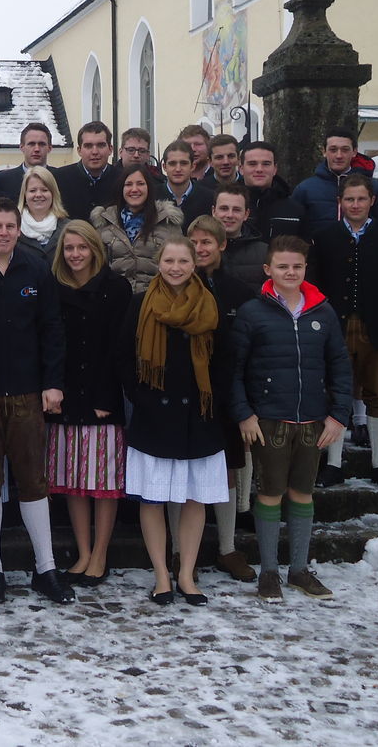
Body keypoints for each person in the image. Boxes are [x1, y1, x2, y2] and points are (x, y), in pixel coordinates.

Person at [0, 199, 75, 607]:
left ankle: (46, 568)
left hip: (27, 392)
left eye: (10, 226)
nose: (4, 233)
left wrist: (53, 383)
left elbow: (53, 329)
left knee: (32, 480)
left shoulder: (35, 268)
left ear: (18, 230)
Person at [229, 235, 352, 602]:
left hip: (313, 420)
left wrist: (338, 415)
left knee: (302, 492)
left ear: (305, 268)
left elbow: (340, 365)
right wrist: (244, 414)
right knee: (270, 493)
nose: (290, 272)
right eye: (283, 266)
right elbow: (233, 370)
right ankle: (269, 572)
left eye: (297, 266)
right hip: (269, 420)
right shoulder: (252, 312)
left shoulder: (322, 311)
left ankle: (298, 569)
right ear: (268, 269)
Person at [118, 236, 227, 607]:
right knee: (152, 499)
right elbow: (124, 357)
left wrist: (214, 402)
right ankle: (161, 575)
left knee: (195, 498)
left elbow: (224, 358)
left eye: (183, 261)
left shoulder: (210, 302)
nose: (176, 268)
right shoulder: (140, 302)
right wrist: (141, 398)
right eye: (169, 261)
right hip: (155, 414)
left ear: (194, 264)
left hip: (199, 415)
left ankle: (186, 575)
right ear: (158, 263)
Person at [309, 175, 378, 491]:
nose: (355, 205)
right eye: (349, 199)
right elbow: (316, 286)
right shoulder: (325, 236)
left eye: (361, 199)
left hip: (377, 327)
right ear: (340, 202)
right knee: (336, 392)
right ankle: (333, 463)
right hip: (335, 327)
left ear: (372, 201)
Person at [46, 221, 131, 585]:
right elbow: (51, 342)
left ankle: (100, 553)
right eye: (69, 248)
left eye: (82, 247)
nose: (75, 254)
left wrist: (106, 396)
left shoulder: (116, 287)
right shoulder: (54, 286)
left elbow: (120, 347)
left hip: (101, 397)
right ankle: (82, 552)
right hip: (66, 395)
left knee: (102, 480)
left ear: (95, 249)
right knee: (72, 480)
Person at [187, 215, 258, 583]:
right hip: (185, 394)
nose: (200, 249)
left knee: (227, 469)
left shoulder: (240, 292)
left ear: (222, 245)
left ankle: (228, 548)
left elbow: (248, 348)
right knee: (182, 473)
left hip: (227, 392)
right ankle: (181, 552)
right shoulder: (176, 285)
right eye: (194, 242)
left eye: (207, 242)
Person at [90, 164, 183, 293]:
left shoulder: (167, 222)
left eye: (140, 184)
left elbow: (179, 264)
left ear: (149, 187)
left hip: (156, 297)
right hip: (115, 297)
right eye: (128, 184)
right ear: (121, 189)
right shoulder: (105, 222)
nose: (134, 189)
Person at [293, 126, 378, 237]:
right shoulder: (305, 189)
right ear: (324, 151)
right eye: (333, 150)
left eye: (345, 150)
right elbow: (293, 231)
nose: (339, 155)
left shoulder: (374, 187)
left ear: (354, 152)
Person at [52, 121, 118, 221]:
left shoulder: (122, 179)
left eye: (101, 145)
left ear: (110, 149)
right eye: (88, 146)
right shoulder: (59, 179)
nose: (95, 152)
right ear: (79, 150)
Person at [238, 141, 304, 240]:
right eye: (252, 164)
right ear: (241, 169)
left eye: (266, 164)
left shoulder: (294, 210)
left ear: (275, 169)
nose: (259, 169)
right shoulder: (226, 206)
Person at [212, 183, 268, 288]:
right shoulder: (199, 249)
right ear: (213, 211)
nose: (230, 215)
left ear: (246, 214)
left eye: (236, 210)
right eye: (224, 208)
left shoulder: (264, 253)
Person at [160, 139, 216, 229]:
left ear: (193, 166)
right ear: (164, 167)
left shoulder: (209, 198)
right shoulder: (152, 197)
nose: (178, 169)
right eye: (172, 163)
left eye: (184, 163)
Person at [17, 165, 70, 259]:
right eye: (32, 190)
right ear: (24, 195)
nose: (38, 195)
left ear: (53, 194)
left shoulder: (68, 227)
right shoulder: (13, 227)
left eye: (44, 190)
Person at [0, 122, 54, 201]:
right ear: (22, 147)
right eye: (31, 144)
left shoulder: (60, 178)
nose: (37, 149)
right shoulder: (1, 181)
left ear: (49, 148)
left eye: (42, 144)